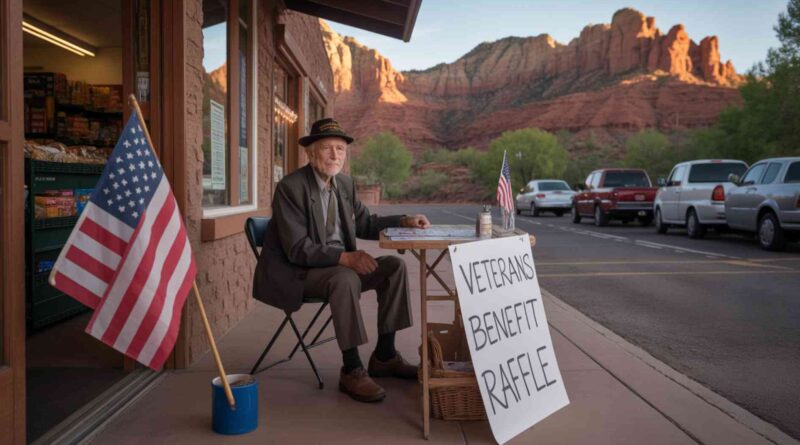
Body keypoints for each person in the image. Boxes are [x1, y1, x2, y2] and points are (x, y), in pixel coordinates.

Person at [253, 118, 430, 403]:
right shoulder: (290, 187)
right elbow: (297, 249)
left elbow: (365, 224)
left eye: (340, 149)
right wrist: (345, 257)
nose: (335, 155)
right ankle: (352, 368)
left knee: (394, 267)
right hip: (300, 271)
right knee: (345, 277)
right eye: (327, 148)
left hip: (337, 264)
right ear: (310, 153)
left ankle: (384, 356)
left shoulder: (344, 185)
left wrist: (405, 220)